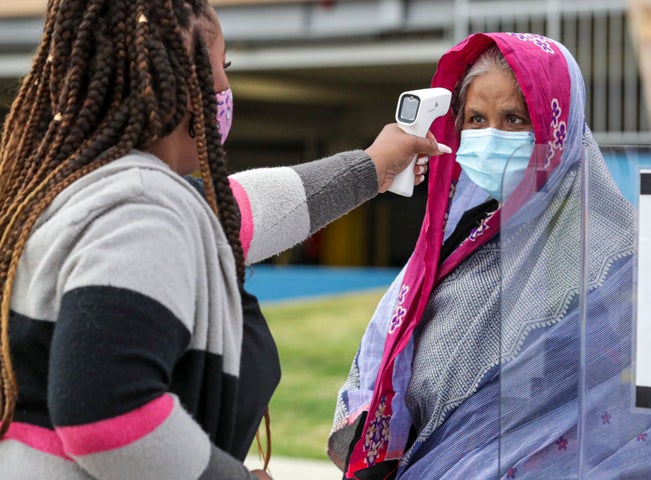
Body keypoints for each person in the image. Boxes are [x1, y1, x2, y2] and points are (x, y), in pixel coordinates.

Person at [0, 1, 450, 479]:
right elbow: (109, 419)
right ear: (179, 81)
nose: (224, 88)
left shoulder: (91, 190)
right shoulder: (139, 209)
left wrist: (374, 166)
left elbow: (252, 206)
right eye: (221, 66)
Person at [329, 32, 651, 479]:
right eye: (475, 119)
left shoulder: (617, 261)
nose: (490, 137)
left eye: (514, 119)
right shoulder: (456, 241)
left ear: (558, 130)